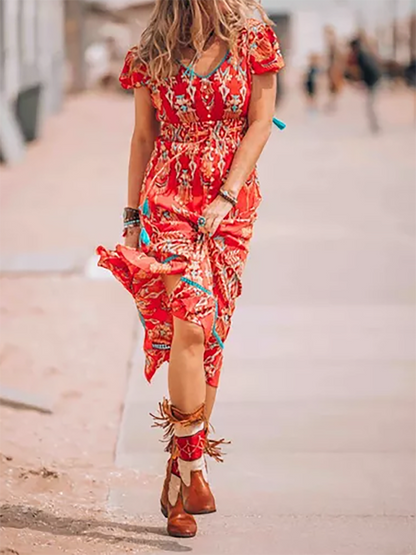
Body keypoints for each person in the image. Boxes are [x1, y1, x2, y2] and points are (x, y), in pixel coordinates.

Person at [96, 0, 284, 539]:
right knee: (190, 324)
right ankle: (198, 471)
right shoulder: (151, 52)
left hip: (229, 205)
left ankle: (176, 481)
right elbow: (142, 138)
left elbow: (261, 122)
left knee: (211, 342)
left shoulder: (254, 39)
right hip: (169, 199)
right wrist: (132, 216)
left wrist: (227, 196)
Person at [348, 37, 382, 133]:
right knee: (370, 105)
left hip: (373, 82)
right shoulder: (364, 54)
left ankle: (375, 126)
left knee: (370, 106)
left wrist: (364, 82)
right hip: (374, 81)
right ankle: (374, 126)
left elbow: (366, 71)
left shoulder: (361, 56)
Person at [324, 26, 344, 112]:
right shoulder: (332, 44)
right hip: (332, 68)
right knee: (332, 88)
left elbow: (336, 58)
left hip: (334, 68)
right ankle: (332, 104)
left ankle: (333, 104)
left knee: (334, 87)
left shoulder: (333, 44)